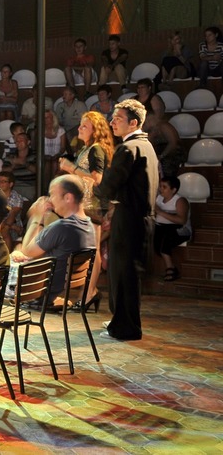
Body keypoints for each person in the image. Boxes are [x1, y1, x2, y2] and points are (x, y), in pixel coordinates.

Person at [95, 99, 159, 341]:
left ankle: (125, 327)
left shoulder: (128, 149)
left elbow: (109, 186)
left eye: (118, 118)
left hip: (130, 218)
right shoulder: (146, 145)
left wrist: (93, 185)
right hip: (142, 218)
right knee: (129, 274)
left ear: (133, 123)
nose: (112, 122)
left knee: (124, 274)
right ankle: (122, 320)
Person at [11, 176, 96, 307]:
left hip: (36, 289)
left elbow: (27, 250)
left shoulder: (62, 227)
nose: (50, 199)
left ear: (68, 198)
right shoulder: (88, 225)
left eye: (52, 194)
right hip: (55, 286)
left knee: (7, 260)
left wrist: (37, 216)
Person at [57, 110, 114, 305]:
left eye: (84, 126)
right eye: (80, 125)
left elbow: (97, 179)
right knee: (88, 249)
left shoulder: (96, 149)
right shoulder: (87, 148)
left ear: (95, 130)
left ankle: (90, 293)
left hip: (93, 204)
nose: (79, 128)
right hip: (85, 204)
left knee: (93, 249)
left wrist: (70, 167)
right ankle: (89, 291)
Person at [154, 176, 190, 283]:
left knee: (165, 242)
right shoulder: (159, 198)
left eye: (164, 187)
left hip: (179, 229)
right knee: (156, 245)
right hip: (160, 227)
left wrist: (160, 212)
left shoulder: (180, 201)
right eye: (160, 186)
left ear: (173, 190)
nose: (161, 189)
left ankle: (170, 269)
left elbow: (181, 220)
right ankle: (173, 268)